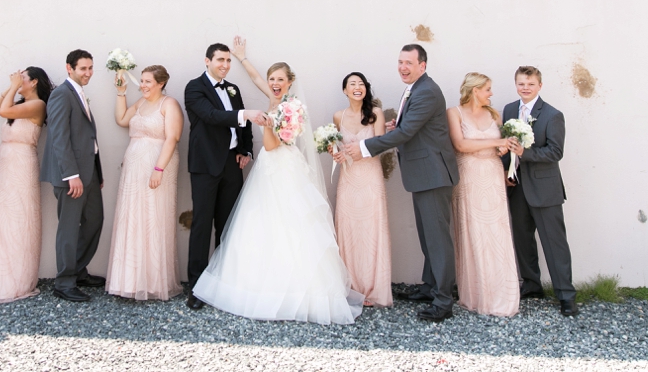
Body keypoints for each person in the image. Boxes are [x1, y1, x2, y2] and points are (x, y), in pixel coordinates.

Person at [193, 38, 363, 325]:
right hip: (267, 169)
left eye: (279, 79)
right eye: (272, 79)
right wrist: (243, 58)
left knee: (291, 224)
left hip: (281, 166)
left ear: (290, 82)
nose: (273, 83)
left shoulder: (291, 108)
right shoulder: (275, 100)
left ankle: (292, 292)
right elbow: (257, 78)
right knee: (261, 222)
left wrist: (268, 127)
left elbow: (272, 146)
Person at [339, 43, 459, 322]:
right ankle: (430, 287)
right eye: (400, 62)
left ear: (422, 66)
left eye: (409, 63)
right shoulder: (416, 89)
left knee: (438, 240)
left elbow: (407, 133)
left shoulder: (427, 91)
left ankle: (443, 301)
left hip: (433, 174)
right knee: (429, 237)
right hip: (423, 174)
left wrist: (366, 146)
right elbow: (411, 127)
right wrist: (397, 127)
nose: (403, 67)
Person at [183, 43, 270, 310]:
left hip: (233, 165)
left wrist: (245, 149)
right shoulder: (194, 88)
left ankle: (225, 281)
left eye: (228, 61)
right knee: (201, 224)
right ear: (207, 60)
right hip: (206, 165)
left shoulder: (233, 89)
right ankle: (198, 286)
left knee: (229, 225)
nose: (225, 65)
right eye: (220, 60)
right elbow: (212, 116)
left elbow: (241, 126)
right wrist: (245, 114)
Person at [502, 66, 579, 317]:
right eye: (521, 83)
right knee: (522, 239)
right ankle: (532, 284)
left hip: (545, 188)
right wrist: (507, 171)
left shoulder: (553, 115)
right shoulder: (509, 110)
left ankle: (566, 295)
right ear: (516, 84)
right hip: (517, 187)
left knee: (554, 242)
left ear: (540, 86)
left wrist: (527, 153)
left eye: (530, 84)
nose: (525, 88)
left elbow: (556, 152)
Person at [105, 65, 184, 300]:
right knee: (132, 217)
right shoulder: (139, 103)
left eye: (148, 82)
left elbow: (173, 138)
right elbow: (121, 120)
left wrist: (158, 169)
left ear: (161, 83)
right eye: (141, 81)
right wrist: (121, 92)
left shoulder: (169, 104)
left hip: (156, 166)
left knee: (153, 218)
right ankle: (128, 280)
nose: (143, 85)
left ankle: (152, 282)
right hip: (133, 169)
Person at [446, 72, 519, 317]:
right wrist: (494, 144)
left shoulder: (493, 114)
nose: (491, 93)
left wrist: (503, 150)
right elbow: (461, 145)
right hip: (469, 176)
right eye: (487, 89)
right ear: (475, 90)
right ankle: (477, 293)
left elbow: (499, 146)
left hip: (492, 174)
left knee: (496, 231)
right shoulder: (453, 113)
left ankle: (501, 292)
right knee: (473, 230)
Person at [0, 66, 52, 304]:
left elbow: (4, 111)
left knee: (18, 219)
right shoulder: (18, 102)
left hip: (22, 163)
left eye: (22, 78)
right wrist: (11, 87)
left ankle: (18, 280)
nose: (17, 81)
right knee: (1, 218)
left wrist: (12, 87)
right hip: (3, 162)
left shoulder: (38, 105)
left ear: (34, 83)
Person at [40, 49, 105, 302]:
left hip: (88, 173)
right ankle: (64, 282)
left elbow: (87, 136)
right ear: (70, 68)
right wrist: (71, 175)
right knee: (68, 229)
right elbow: (59, 138)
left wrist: (96, 172)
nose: (88, 73)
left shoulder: (79, 93)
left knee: (94, 221)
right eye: (83, 69)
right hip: (71, 177)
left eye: (90, 68)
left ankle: (78, 270)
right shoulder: (60, 94)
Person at [332, 72, 391, 308]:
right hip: (348, 177)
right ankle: (351, 288)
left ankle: (373, 288)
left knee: (371, 227)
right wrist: (335, 152)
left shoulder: (375, 113)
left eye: (361, 84)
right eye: (352, 84)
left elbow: (380, 145)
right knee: (349, 228)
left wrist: (359, 149)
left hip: (370, 177)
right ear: (345, 90)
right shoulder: (338, 116)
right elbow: (336, 145)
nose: (357, 87)